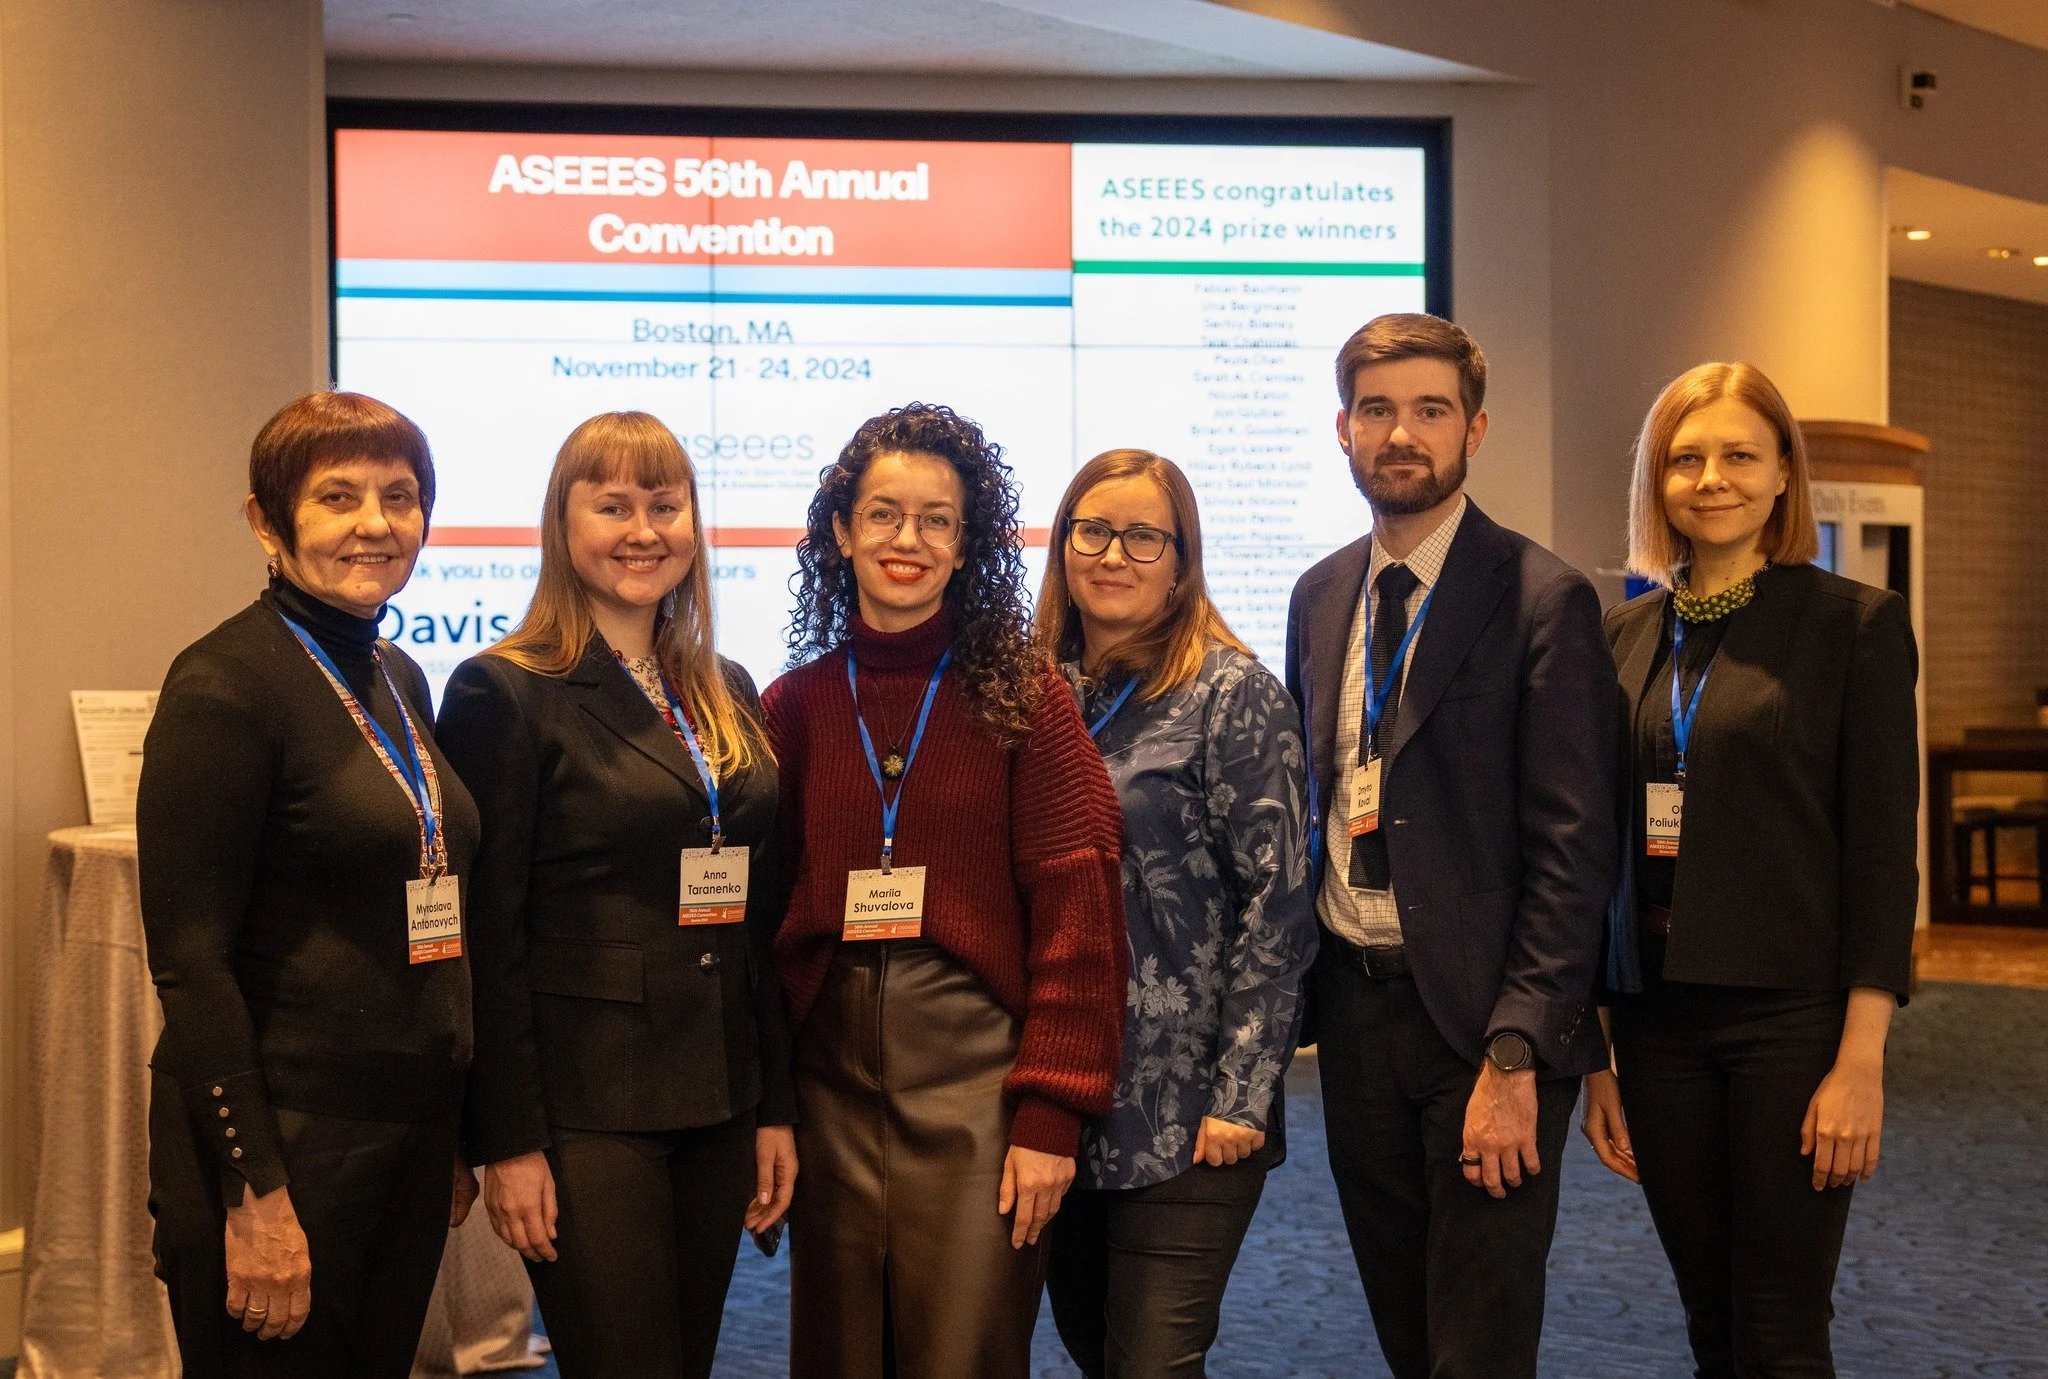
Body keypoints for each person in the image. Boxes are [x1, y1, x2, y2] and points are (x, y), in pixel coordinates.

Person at [1283, 314, 1619, 1379]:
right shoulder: (1319, 594)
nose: (1400, 433)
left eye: (1429, 410)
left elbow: (1573, 852)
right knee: (1405, 1329)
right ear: (1342, 428)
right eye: (1376, 410)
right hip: (1354, 1014)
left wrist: (1516, 1050)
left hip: (1483, 1024)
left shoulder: (1541, 598)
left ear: (1473, 429)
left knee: (1477, 1345)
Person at [765, 402, 1126, 1378]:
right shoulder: (793, 706)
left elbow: (1082, 916)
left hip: (978, 1091)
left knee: (962, 1356)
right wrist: (767, 1103)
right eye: (883, 514)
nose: (907, 540)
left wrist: (1050, 1116)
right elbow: (760, 927)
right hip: (828, 1088)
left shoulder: (1026, 699)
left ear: (966, 548)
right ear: (841, 532)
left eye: (937, 520)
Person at [435, 412, 797, 1379]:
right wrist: (507, 1140)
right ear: (563, 523)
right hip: (584, 1109)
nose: (644, 530)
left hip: (719, 1089)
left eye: (665, 506)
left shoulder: (724, 687)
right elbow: (487, 935)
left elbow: (756, 919)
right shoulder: (503, 691)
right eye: (614, 506)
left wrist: (773, 1105)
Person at [1580, 363, 1918, 1378]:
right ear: (1657, 480)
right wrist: (1598, 1052)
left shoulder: (1853, 625)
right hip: (1656, 1020)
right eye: (1685, 458)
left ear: (1781, 476)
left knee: (1778, 1324)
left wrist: (1860, 1061)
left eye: (1738, 454)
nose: (1710, 478)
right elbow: (1595, 853)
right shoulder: (1622, 635)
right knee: (1709, 1316)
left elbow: (1880, 856)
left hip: (1791, 1019)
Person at [139, 391, 481, 1376]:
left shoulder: (399, 676)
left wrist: (445, 1133)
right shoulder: (222, 685)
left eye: (399, 495)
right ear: (267, 520)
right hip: (287, 1143)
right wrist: (256, 1189)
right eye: (338, 496)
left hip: (401, 1130)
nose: (376, 522)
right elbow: (191, 962)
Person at [1035, 450, 1317, 1377]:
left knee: (1153, 1361)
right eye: (1093, 530)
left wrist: (1243, 1091)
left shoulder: (1232, 694)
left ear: (1182, 558)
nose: (1114, 554)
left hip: (1190, 1106)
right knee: (1094, 1348)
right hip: (1062, 1097)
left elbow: (1278, 904)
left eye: (1143, 536)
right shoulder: (1034, 694)